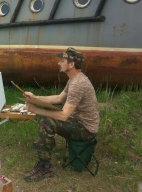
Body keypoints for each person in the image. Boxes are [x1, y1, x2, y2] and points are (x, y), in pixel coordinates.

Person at [23, 47, 99, 182]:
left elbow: (64, 116)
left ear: (71, 64)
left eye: (62, 61)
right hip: (79, 122)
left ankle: (45, 166)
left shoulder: (78, 84)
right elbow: (59, 98)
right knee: (53, 110)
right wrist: (35, 98)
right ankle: (46, 151)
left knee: (48, 121)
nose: (59, 63)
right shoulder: (74, 79)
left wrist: (36, 110)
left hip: (85, 130)